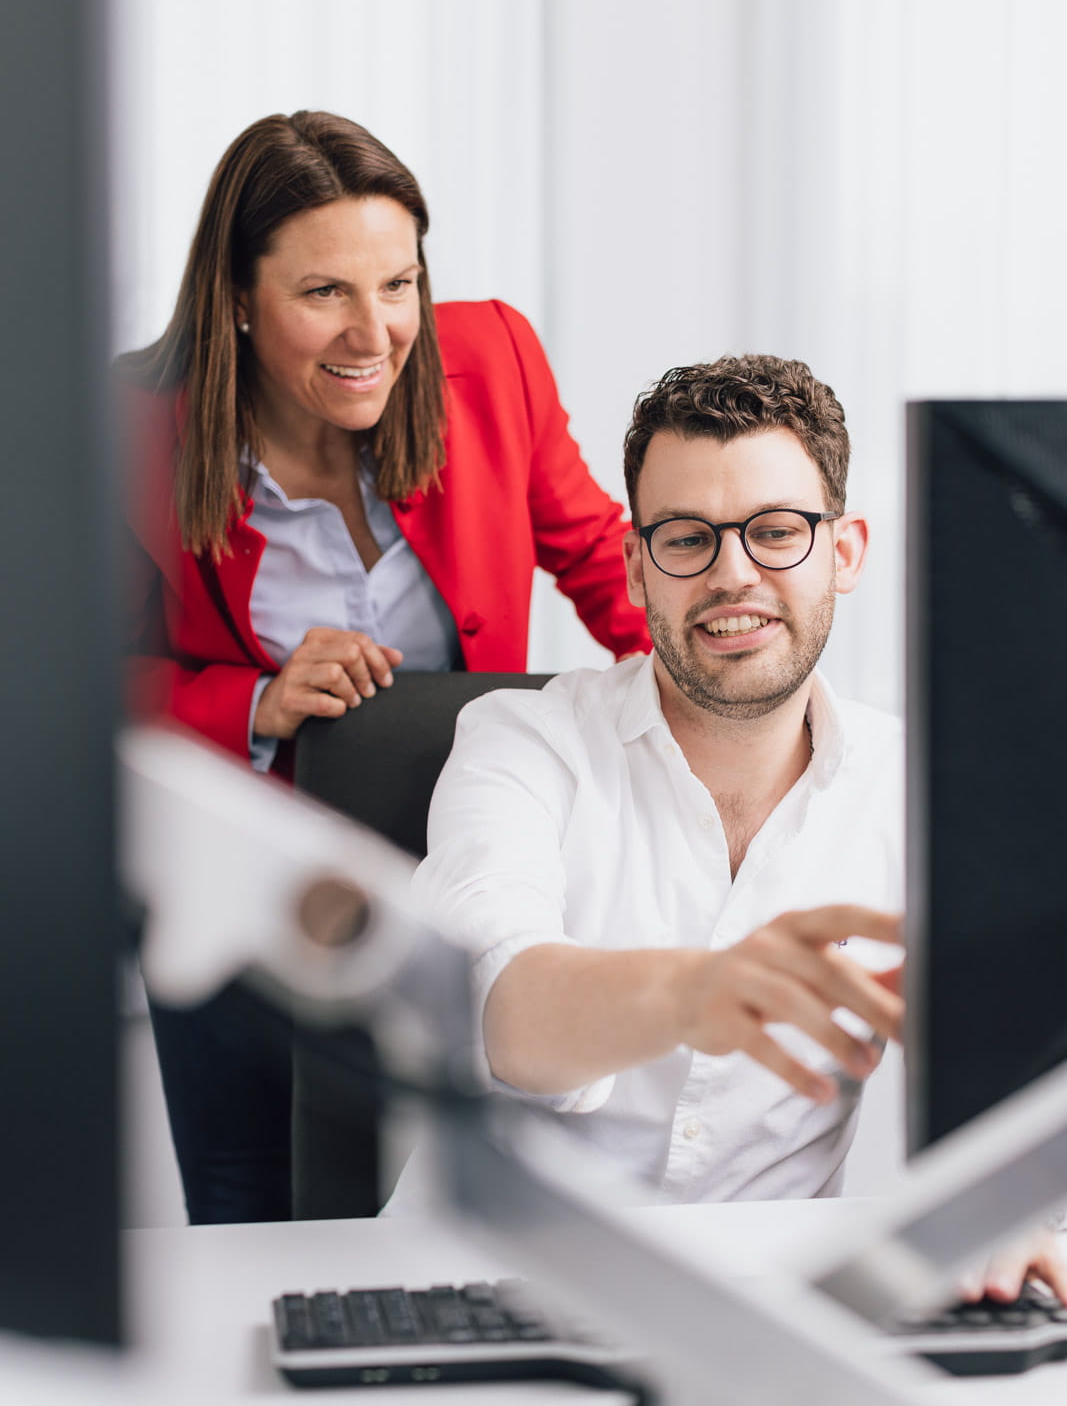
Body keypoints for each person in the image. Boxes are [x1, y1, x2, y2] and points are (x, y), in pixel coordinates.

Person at [405, 353, 1067, 1301]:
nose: (732, 574)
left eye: (775, 532)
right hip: (484, 1286)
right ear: (636, 569)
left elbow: (1016, 1066)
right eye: (685, 539)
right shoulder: (521, 740)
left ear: (844, 552)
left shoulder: (920, 786)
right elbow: (496, 1010)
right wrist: (694, 991)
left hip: (770, 1305)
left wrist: (1013, 1209)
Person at [120, 109, 649, 1224]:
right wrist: (257, 700)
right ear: (236, 297)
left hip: (459, 860)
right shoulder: (132, 428)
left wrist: (720, 706)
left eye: (398, 284)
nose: (376, 332)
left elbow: (605, 564)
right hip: (244, 877)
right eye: (324, 292)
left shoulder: (490, 361)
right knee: (252, 1196)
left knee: (483, 1193)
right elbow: (73, 689)